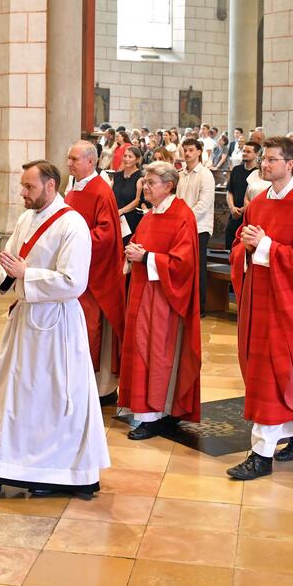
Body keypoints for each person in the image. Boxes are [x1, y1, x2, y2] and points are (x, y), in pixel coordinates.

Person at [0, 161, 110, 496]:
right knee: (11, 395)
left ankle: (58, 474)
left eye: (29, 187)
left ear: (51, 186)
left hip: (56, 326)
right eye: (22, 186)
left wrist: (27, 274)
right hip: (25, 321)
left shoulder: (73, 225)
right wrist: (13, 273)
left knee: (52, 399)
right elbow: (9, 260)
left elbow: (74, 282)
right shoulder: (26, 219)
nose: (22, 193)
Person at [228, 137, 293, 480]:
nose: (265, 164)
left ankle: (261, 456)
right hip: (259, 299)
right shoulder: (258, 203)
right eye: (264, 159)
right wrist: (246, 248)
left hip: (287, 306)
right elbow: (240, 244)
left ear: (290, 165)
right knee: (263, 372)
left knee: (274, 375)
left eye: (272, 160)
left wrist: (265, 246)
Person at [119, 161, 202, 441]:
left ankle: (156, 415)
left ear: (168, 186)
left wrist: (146, 257)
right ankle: (148, 412)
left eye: (151, 182)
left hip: (165, 300)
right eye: (145, 181)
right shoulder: (151, 215)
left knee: (157, 354)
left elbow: (184, 263)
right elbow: (139, 246)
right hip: (142, 294)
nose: (145, 187)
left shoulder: (182, 215)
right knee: (141, 352)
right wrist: (132, 253)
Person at [64, 141, 126, 403]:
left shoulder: (101, 191)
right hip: (75, 269)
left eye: (74, 159)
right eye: (69, 158)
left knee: (91, 329)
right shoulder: (74, 189)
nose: (69, 163)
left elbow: (106, 234)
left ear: (91, 161)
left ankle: (97, 389)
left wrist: (73, 241)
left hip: (95, 274)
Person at [176, 138, 215, 314]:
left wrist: (184, 218)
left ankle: (200, 307)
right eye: (185, 150)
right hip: (182, 225)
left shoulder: (205, 174)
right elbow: (177, 200)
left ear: (199, 152)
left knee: (197, 267)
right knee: (183, 266)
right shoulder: (181, 174)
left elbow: (203, 204)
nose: (187, 153)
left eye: (191, 150)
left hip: (199, 227)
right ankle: (185, 302)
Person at [225, 141, 258, 249]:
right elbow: (229, 191)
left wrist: (243, 209)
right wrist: (232, 208)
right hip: (234, 215)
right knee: (230, 246)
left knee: (243, 249)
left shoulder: (258, 173)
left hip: (249, 216)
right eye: (243, 151)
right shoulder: (236, 169)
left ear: (256, 154)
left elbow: (257, 196)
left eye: (248, 152)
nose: (244, 153)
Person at [110, 146, 144, 242]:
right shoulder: (117, 176)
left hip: (130, 218)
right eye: (125, 156)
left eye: (130, 157)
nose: (126, 159)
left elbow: (137, 200)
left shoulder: (140, 177)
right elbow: (110, 194)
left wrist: (121, 211)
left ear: (137, 159)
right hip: (115, 215)